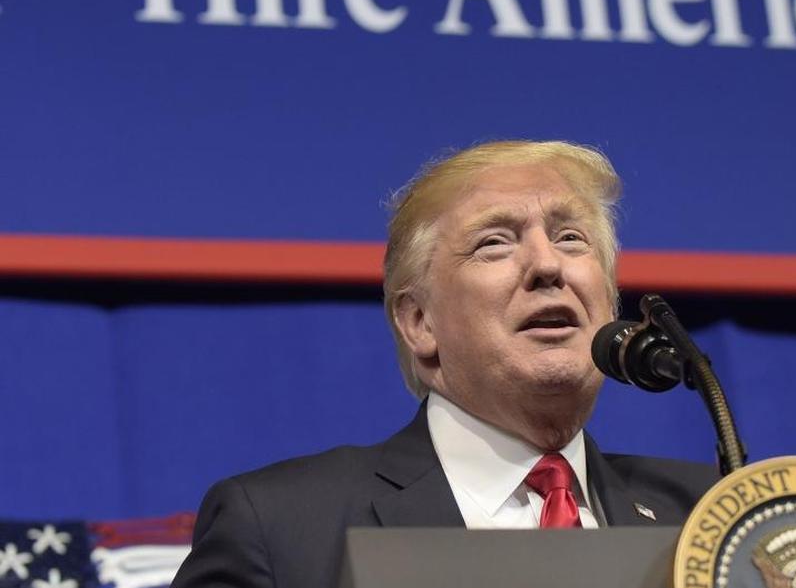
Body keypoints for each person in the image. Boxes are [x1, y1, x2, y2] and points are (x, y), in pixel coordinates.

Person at [171, 141, 718, 588]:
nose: (547, 264)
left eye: (570, 238)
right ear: (419, 322)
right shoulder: (279, 526)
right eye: (494, 243)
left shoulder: (711, 515)